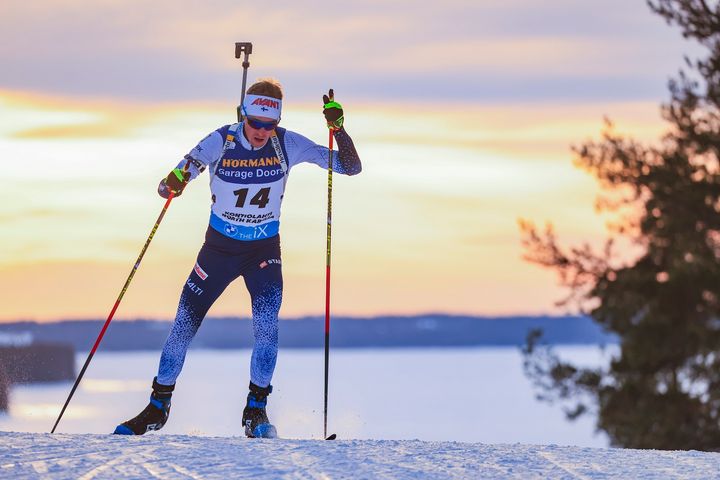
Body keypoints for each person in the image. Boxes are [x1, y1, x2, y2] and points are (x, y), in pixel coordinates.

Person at [113, 78, 361, 438]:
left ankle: (255, 411)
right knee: (184, 323)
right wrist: (177, 179)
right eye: (255, 123)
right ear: (244, 114)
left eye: (269, 124)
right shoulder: (221, 140)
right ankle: (158, 406)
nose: (261, 132)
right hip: (218, 250)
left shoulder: (287, 143)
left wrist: (338, 129)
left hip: (263, 250)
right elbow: (169, 184)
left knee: (266, 327)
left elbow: (350, 167)